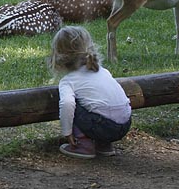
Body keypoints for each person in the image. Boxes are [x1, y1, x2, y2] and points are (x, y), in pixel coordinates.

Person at [51, 26, 132, 159]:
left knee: (75, 104)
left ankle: (84, 145)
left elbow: (67, 104)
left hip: (104, 126)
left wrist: (67, 132)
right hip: (125, 124)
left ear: (59, 56)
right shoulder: (103, 71)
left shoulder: (68, 81)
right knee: (97, 105)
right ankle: (104, 145)